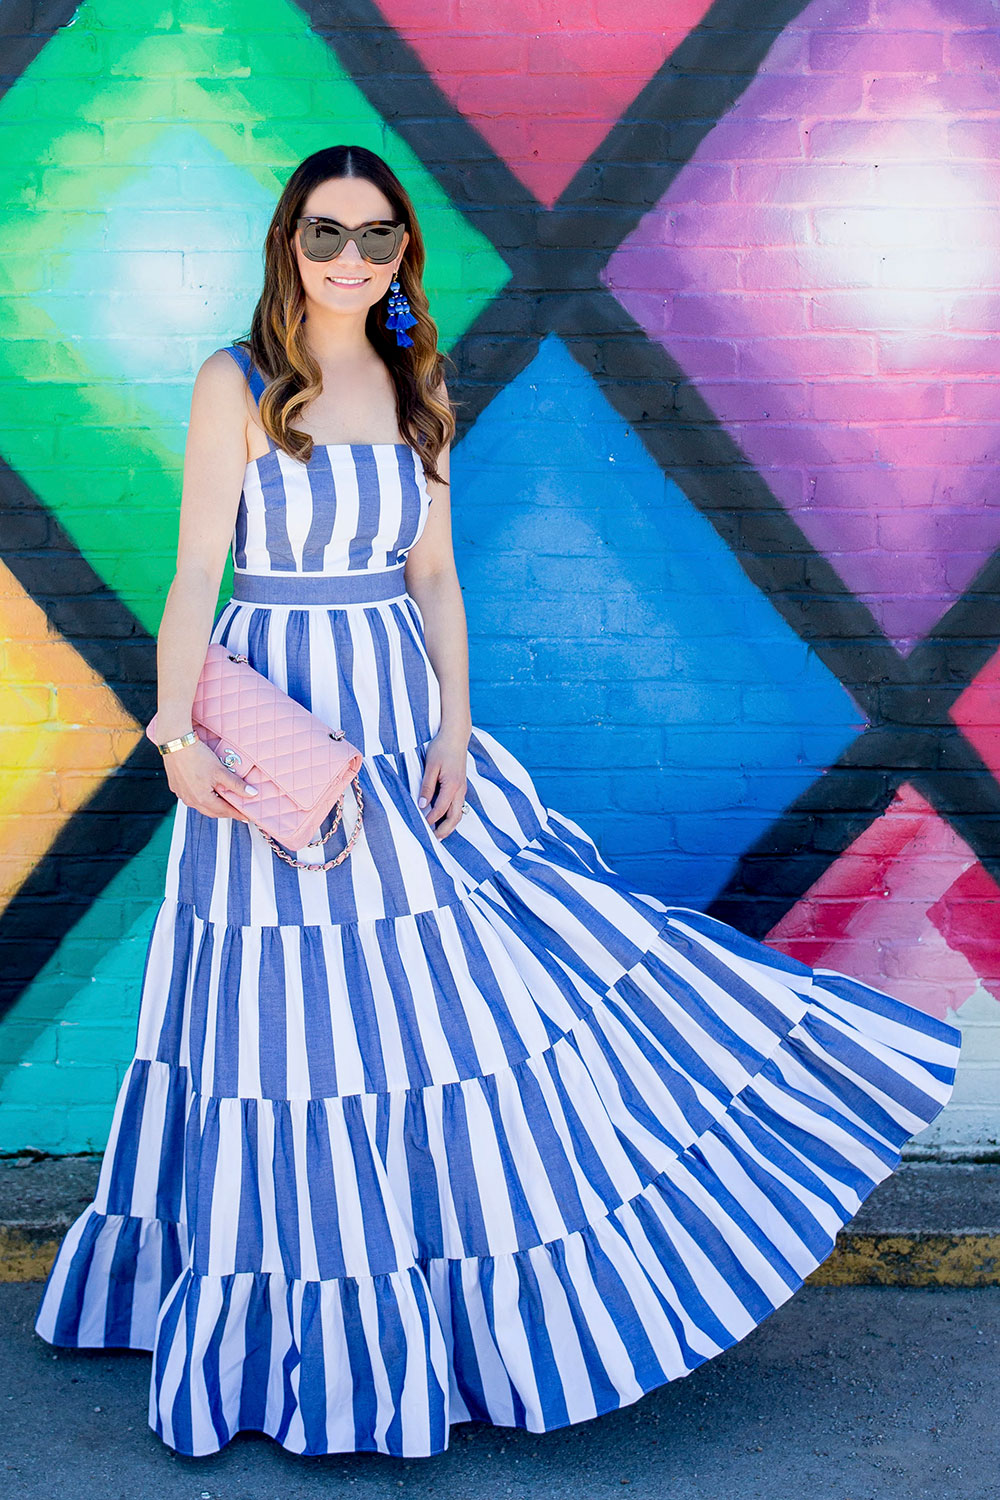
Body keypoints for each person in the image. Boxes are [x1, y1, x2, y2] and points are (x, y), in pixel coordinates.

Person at [34, 143, 963, 1460]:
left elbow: (434, 583)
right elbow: (196, 577)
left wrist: (457, 731)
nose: (350, 260)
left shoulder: (421, 389)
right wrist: (175, 735)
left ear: (404, 252)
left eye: (375, 238)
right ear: (285, 248)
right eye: (324, 235)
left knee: (446, 1010)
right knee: (282, 1032)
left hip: (397, 714)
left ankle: (467, 1311)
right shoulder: (234, 383)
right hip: (273, 730)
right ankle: (279, 1328)